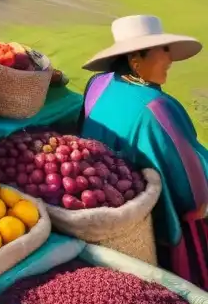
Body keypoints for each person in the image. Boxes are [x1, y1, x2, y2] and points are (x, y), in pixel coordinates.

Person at [79, 14, 208, 284]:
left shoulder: (97, 84)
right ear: (136, 60)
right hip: (152, 216)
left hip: (102, 197)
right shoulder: (157, 108)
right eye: (164, 51)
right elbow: (194, 195)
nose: (170, 60)